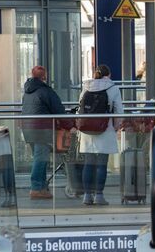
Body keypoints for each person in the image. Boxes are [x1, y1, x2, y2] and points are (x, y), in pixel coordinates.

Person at [77, 65, 123, 206]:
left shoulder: (86, 86)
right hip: (105, 128)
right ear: (108, 75)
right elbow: (119, 111)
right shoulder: (113, 88)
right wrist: (115, 127)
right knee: (102, 165)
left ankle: (87, 195)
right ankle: (99, 195)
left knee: (88, 163)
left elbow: (80, 107)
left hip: (87, 130)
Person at [21, 66, 70, 200]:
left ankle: (41, 187)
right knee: (40, 158)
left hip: (28, 128)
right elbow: (59, 110)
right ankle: (36, 188)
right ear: (44, 77)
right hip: (41, 129)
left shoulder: (27, 91)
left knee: (40, 158)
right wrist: (69, 125)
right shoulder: (46, 91)